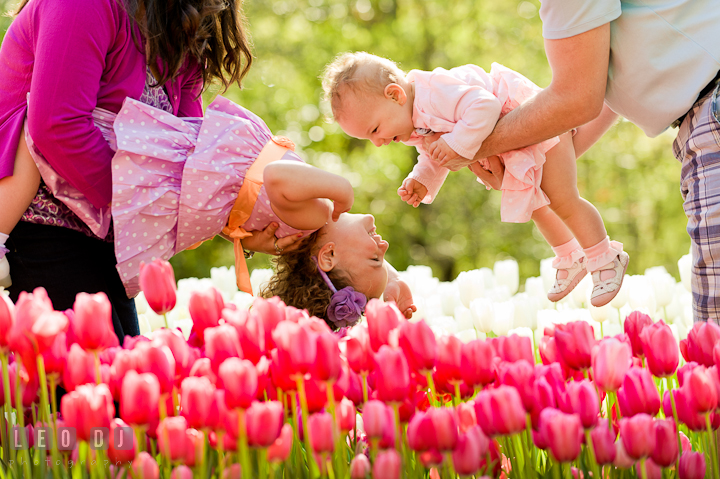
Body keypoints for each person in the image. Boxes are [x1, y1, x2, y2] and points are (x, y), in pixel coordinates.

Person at [0, 0, 279, 343]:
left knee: (125, 383)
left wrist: (242, 221)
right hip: (39, 223)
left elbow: (188, 164)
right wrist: (139, 209)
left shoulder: (177, 25)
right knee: (92, 386)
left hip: (110, 235)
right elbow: (58, 125)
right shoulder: (82, 6)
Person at [431, 2, 720, 322]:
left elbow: (575, 98)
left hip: (711, 110)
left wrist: (474, 147)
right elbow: (601, 89)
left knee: (714, 338)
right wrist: (533, 163)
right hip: (701, 117)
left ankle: (599, 256)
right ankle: (578, 255)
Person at [322, 52, 627, 306]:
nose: (377, 142)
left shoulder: (435, 92)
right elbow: (433, 153)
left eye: (374, 130)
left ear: (395, 94)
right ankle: (570, 254)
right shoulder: (411, 119)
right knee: (533, 201)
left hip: (528, 118)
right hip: (511, 138)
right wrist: (423, 178)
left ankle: (604, 256)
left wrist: (456, 145)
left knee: (560, 196)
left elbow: (485, 105)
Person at [105, 96, 415, 328]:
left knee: (115, 140)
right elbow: (360, 273)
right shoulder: (303, 235)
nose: (384, 246)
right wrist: (391, 283)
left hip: (209, 162)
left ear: (328, 256)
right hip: (195, 173)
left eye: (376, 257)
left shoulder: (318, 214)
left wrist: (342, 187)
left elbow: (275, 176)